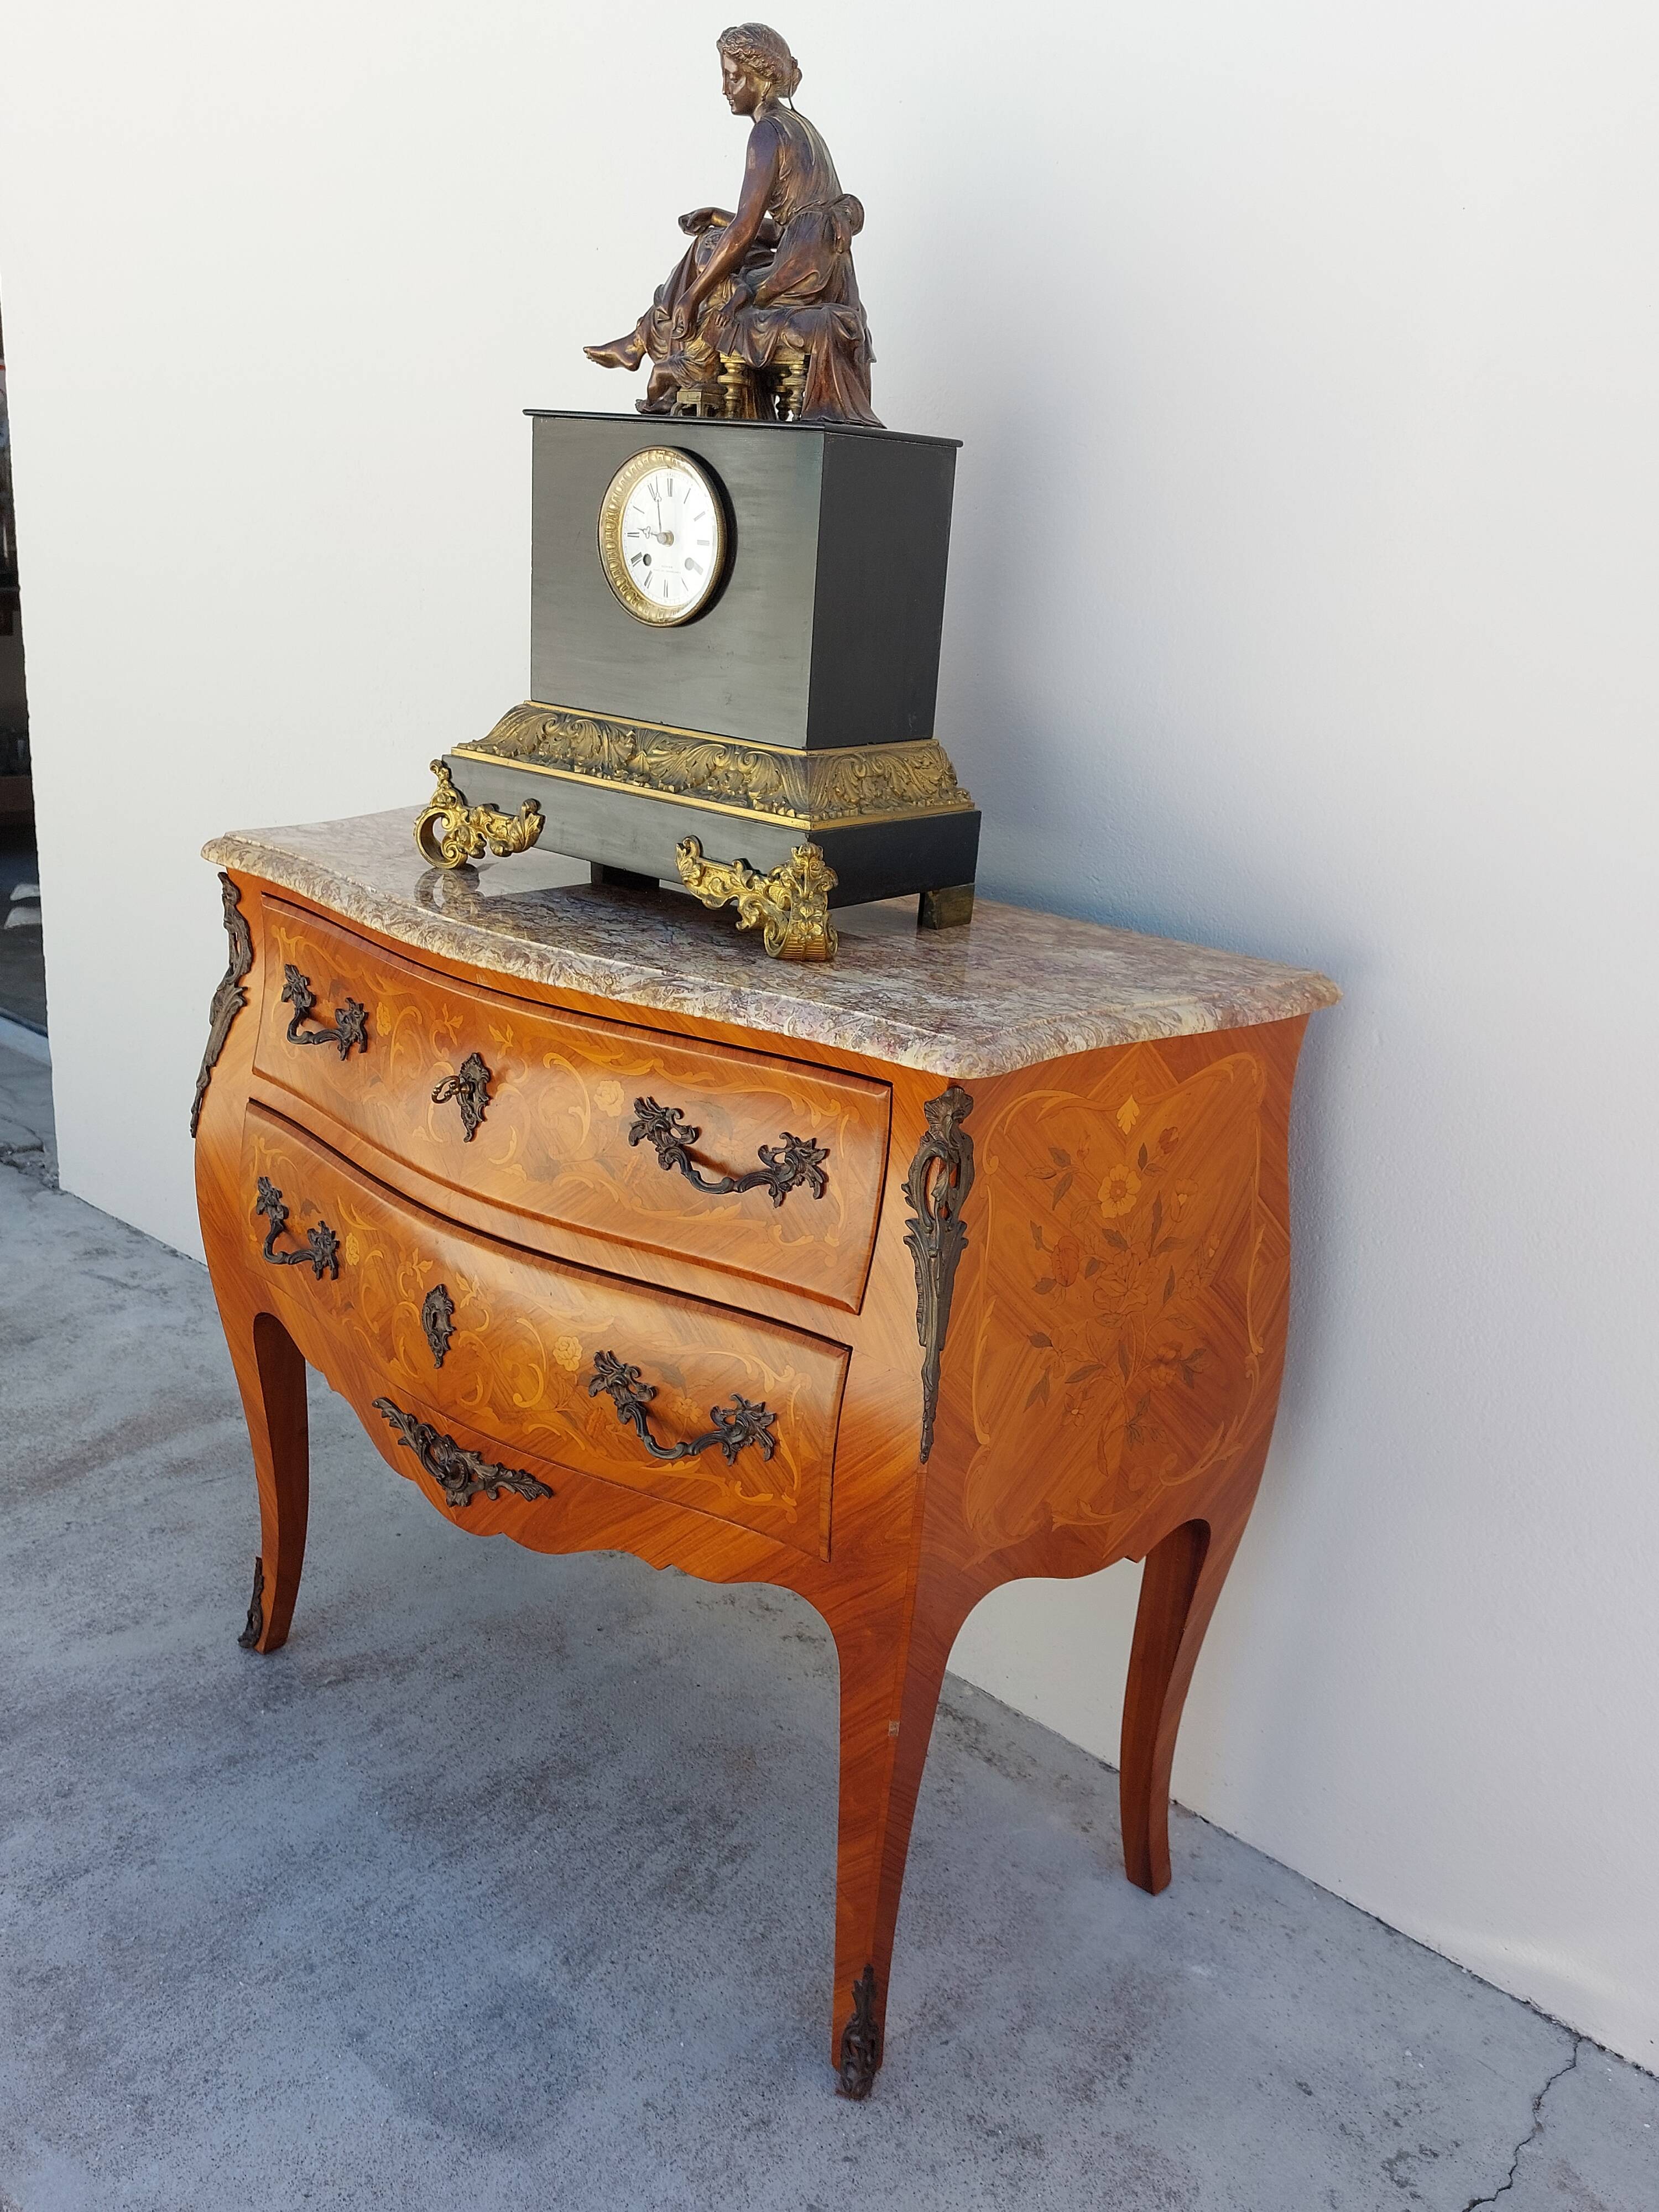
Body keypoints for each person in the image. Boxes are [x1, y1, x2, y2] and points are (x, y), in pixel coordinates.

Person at [584, 24, 879, 426]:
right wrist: (718, 217)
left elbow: (745, 232)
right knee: (712, 238)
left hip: (803, 275)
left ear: (761, 79)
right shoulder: (802, 128)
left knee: (713, 264)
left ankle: (645, 340)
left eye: (733, 76)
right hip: (817, 266)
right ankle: (640, 341)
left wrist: (691, 296)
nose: (725, 88)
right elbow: (780, 228)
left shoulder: (767, 132)